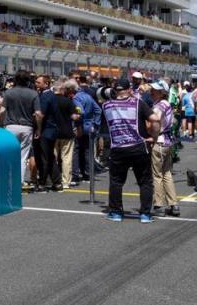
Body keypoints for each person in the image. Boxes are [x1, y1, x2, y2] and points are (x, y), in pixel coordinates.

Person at [100, 78, 157, 223]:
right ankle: (145, 214)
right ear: (129, 89)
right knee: (144, 181)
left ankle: (116, 212)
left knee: (116, 181)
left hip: (118, 148)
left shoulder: (106, 105)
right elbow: (155, 119)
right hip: (138, 146)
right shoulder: (138, 103)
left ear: (115, 90)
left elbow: (100, 96)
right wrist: (154, 137)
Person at [0, 71, 42, 190]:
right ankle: (19, 182)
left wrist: (1, 124)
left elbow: (2, 111)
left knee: (9, 154)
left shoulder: (8, 93)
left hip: (10, 126)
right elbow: (38, 114)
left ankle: (7, 180)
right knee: (23, 157)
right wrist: (38, 128)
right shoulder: (33, 94)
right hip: (27, 126)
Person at [149, 81, 180, 217]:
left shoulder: (159, 105)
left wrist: (152, 137)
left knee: (157, 175)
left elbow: (155, 120)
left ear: (162, 93)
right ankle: (174, 205)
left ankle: (159, 205)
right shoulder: (166, 104)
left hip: (160, 141)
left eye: (155, 90)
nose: (152, 91)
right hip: (168, 142)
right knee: (166, 174)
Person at [72, 74, 102, 185]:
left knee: (76, 150)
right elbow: (98, 110)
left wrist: (77, 123)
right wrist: (96, 124)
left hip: (80, 126)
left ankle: (75, 174)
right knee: (88, 151)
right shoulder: (88, 96)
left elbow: (81, 112)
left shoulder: (76, 98)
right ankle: (88, 174)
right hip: (90, 127)